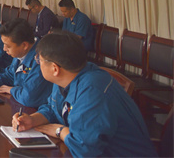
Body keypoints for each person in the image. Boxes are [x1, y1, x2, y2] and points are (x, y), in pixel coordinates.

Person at [13, 31, 157, 157]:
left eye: (39, 60)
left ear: (55, 69)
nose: (38, 63)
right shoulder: (67, 76)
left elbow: (83, 149)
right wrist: (33, 119)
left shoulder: (92, 91)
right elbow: (53, 107)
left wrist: (60, 131)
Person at [0, 18, 52, 108]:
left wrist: (11, 90)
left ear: (24, 45)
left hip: (35, 110)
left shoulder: (40, 60)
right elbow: (10, 75)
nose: (4, 49)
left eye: (8, 46)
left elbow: (28, 98)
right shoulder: (20, 52)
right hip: (18, 104)